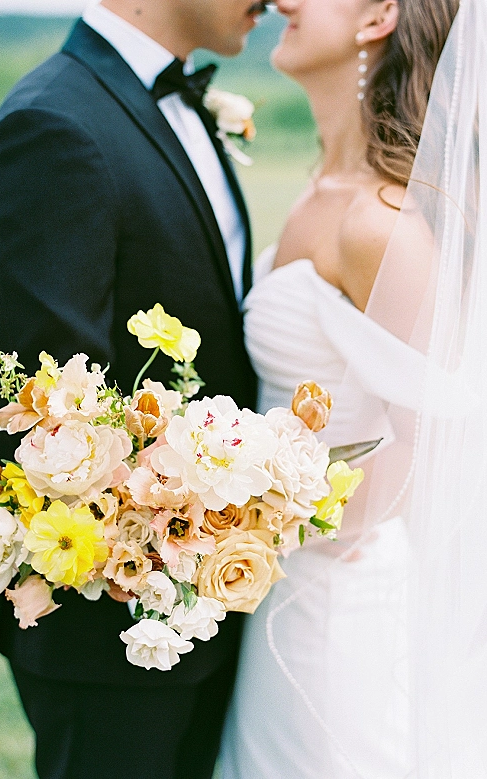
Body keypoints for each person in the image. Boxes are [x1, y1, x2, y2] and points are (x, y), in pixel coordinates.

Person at [0, 1, 268, 777]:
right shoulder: (51, 129)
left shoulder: (173, 104)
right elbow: (52, 425)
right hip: (109, 629)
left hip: (207, 599)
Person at [219, 0, 486, 776]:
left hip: (335, 605)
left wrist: (248, 523)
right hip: (283, 589)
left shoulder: (379, 222)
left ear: (378, 17)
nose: (282, 4)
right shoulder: (327, 187)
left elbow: (433, 441)